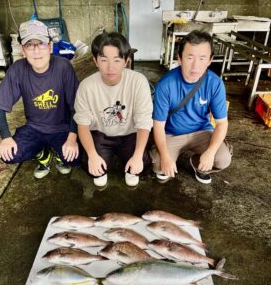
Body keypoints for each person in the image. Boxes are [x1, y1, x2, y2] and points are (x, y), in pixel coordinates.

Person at [0, 20, 80, 179]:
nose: (36, 50)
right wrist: (5, 137)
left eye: (41, 44)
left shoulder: (63, 67)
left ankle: (59, 153)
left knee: (79, 158)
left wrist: (72, 137)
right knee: (8, 154)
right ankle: (43, 153)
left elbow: (77, 106)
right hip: (34, 128)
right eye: (30, 45)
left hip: (62, 128)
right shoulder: (18, 69)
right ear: (22, 49)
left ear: (51, 46)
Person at [151, 30, 232, 184]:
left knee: (222, 158)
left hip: (202, 131)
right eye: (190, 57)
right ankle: (168, 156)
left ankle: (198, 164)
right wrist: (166, 158)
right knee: (158, 165)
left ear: (210, 60)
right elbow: (158, 126)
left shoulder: (215, 84)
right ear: (179, 59)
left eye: (202, 58)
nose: (196, 65)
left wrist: (210, 152)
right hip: (172, 133)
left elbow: (222, 123)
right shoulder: (165, 84)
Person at [74, 31, 153, 187]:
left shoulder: (138, 81)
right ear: (95, 61)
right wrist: (92, 155)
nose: (110, 67)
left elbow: (144, 121)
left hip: (130, 134)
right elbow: (82, 124)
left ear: (126, 61)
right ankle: (101, 158)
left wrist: (137, 156)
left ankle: (132, 161)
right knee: (91, 167)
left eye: (117, 60)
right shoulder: (86, 86)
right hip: (101, 134)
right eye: (104, 60)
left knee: (142, 165)